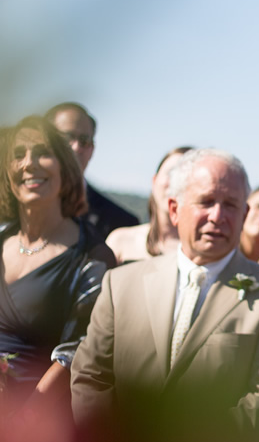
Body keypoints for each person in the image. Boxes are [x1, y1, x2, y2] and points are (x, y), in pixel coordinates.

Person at [71, 147, 259, 442]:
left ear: (245, 215)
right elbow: (92, 376)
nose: (217, 216)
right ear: (174, 209)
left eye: (231, 205)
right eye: (206, 202)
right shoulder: (121, 284)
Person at [0, 115, 115, 415]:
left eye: (42, 153)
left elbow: (79, 350)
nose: (29, 163)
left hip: (36, 420)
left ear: (65, 166)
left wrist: (23, 421)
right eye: (18, 155)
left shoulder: (93, 257)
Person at [44, 102, 139, 238]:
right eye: (67, 138)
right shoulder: (16, 208)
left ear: (92, 149)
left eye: (84, 140)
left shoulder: (121, 224)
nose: (76, 147)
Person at [106, 146, 192, 263]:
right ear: (154, 181)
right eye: (171, 173)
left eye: (185, 176)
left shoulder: (205, 250)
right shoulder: (121, 241)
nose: (176, 183)